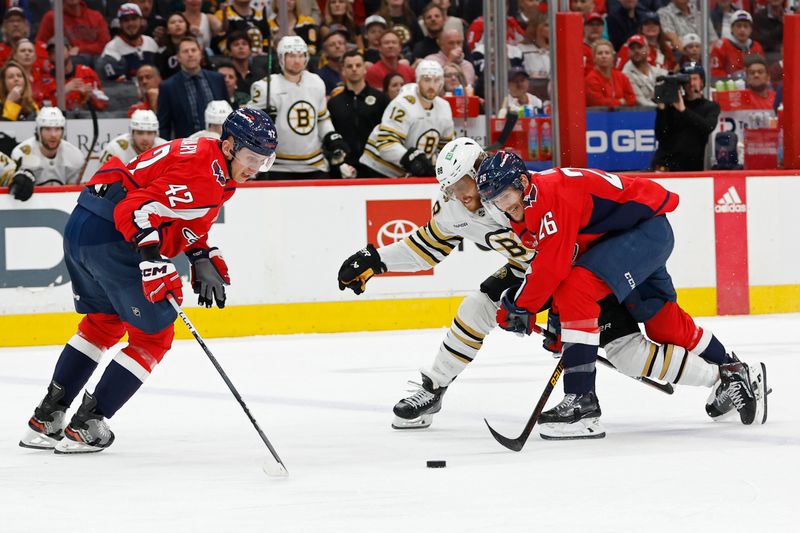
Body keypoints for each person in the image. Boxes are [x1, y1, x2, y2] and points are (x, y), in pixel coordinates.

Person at [338, 138, 748, 430]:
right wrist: (378, 260)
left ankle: (722, 378)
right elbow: (426, 247)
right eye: (452, 190)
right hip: (544, 272)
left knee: (629, 350)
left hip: (585, 263)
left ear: (481, 169)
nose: (462, 198)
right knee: (476, 307)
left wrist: (547, 311)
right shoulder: (465, 205)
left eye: (464, 185)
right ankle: (433, 387)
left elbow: (559, 258)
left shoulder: (523, 190)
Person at [18, 108, 277, 454]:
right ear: (229, 146)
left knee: (103, 323)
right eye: (250, 158)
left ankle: (46, 419)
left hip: (85, 226)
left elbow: (178, 212)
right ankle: (86, 424)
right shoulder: (205, 173)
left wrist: (200, 253)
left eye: (264, 161)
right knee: (154, 337)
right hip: (114, 235)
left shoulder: (206, 154)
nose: (254, 169)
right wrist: (151, 259)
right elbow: (136, 209)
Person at [475, 152, 768, 438]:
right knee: (662, 322)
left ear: (524, 184)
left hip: (642, 233)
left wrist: (520, 306)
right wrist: (556, 318)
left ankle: (581, 402)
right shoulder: (530, 207)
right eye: (496, 201)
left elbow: (553, 267)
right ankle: (736, 372)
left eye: (506, 196)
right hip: (631, 237)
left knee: (578, 289)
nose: (504, 206)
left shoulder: (546, 197)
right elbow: (560, 260)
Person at [247, 36, 350, 179]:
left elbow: (322, 119)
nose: (297, 61)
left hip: (314, 165)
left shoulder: (316, 82)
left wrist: (331, 137)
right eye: (291, 56)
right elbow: (248, 124)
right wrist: (262, 121)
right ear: (281, 58)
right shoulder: (265, 87)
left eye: (301, 55)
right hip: (278, 167)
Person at [360, 60, 454, 178]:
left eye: (436, 80)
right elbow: (386, 144)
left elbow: (446, 147)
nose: (431, 86)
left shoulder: (444, 107)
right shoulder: (403, 104)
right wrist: (412, 159)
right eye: (427, 80)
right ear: (418, 80)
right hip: (379, 167)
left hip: (408, 173)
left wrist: (436, 166)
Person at [328, 51, 390, 177]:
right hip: (345, 168)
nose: (354, 69)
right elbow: (329, 135)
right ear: (343, 70)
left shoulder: (381, 99)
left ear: (364, 69)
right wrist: (339, 163)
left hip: (376, 166)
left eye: (358, 65)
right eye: (349, 66)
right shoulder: (334, 103)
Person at [651, 62, 720, 171]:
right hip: (666, 165)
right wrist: (662, 109)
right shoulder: (670, 105)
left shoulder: (710, 106)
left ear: (702, 82)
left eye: (695, 79)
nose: (691, 83)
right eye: (687, 80)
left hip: (692, 167)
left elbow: (707, 127)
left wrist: (683, 110)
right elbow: (660, 135)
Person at [7, 107, 84, 202]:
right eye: (47, 129)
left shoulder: (75, 156)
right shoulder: (21, 153)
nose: (53, 135)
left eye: (58, 129)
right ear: (39, 131)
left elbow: (72, 194)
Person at [157, 37, 227, 139]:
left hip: (219, 142)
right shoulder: (167, 87)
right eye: (185, 51)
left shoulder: (217, 79)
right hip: (186, 147)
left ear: (201, 54)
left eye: (193, 50)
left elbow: (228, 112)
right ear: (178, 57)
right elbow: (163, 126)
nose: (190, 54)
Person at [36, 0, 111, 67]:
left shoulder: (96, 16)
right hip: (67, 66)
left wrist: (80, 49)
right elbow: (40, 44)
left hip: (96, 63)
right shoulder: (52, 17)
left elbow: (105, 44)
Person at [98, 3, 159, 81]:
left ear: (141, 21)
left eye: (134, 19)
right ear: (120, 24)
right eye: (126, 20)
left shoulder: (151, 42)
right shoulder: (111, 48)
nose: (130, 23)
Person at [98, 109, 167, 165]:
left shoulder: (166, 149)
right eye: (140, 133)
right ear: (132, 133)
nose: (145, 138)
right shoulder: (115, 149)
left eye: (150, 133)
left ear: (156, 134)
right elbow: (102, 180)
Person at [711, 10, 765, 78]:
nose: (742, 30)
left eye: (746, 26)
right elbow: (715, 71)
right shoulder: (721, 46)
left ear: (751, 29)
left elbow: (762, 70)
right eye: (738, 26)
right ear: (731, 28)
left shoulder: (757, 47)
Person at [585, 39, 636, 108]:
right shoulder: (591, 78)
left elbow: (632, 98)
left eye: (607, 53)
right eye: (600, 53)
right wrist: (620, 102)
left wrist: (614, 103)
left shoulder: (621, 76)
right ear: (594, 58)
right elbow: (597, 102)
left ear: (613, 57)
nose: (604, 56)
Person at [621, 34, 665, 106]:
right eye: (632, 48)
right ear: (628, 52)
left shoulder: (657, 71)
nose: (636, 51)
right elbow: (640, 101)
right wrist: (660, 107)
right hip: (642, 114)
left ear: (648, 50)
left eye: (640, 47)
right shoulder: (625, 74)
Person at [155, 12, 194, 80]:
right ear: (167, 30)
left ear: (187, 26)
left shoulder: (195, 46)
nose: (177, 24)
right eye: (172, 22)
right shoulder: (162, 52)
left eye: (180, 21)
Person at [317, 29, 347, 95]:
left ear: (346, 47)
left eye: (340, 43)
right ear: (325, 52)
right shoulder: (320, 77)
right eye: (332, 44)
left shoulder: (354, 68)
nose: (337, 46)